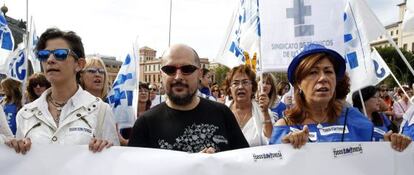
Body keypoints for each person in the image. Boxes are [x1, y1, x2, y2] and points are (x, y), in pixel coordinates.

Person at [269, 44, 410, 152]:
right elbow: (272, 167)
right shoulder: (284, 126)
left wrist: (393, 144)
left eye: (328, 71)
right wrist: (287, 149)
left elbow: (376, 155)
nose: (323, 78)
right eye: (313, 72)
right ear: (298, 83)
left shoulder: (354, 118)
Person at [5, 28, 119, 155]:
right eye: (44, 55)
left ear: (79, 64)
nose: (50, 60)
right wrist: (15, 149)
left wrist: (106, 150)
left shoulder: (101, 111)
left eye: (60, 54)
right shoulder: (25, 114)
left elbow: (113, 165)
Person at [128, 44, 248, 153]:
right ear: (161, 75)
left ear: (200, 74)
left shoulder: (223, 114)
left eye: (187, 69)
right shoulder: (145, 124)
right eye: (170, 70)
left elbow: (245, 163)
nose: (178, 76)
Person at [225, 65, 275, 146]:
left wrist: (265, 113)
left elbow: (271, 140)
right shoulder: (221, 112)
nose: (240, 87)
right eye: (235, 83)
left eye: (245, 82)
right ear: (230, 89)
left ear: (253, 88)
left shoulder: (264, 112)